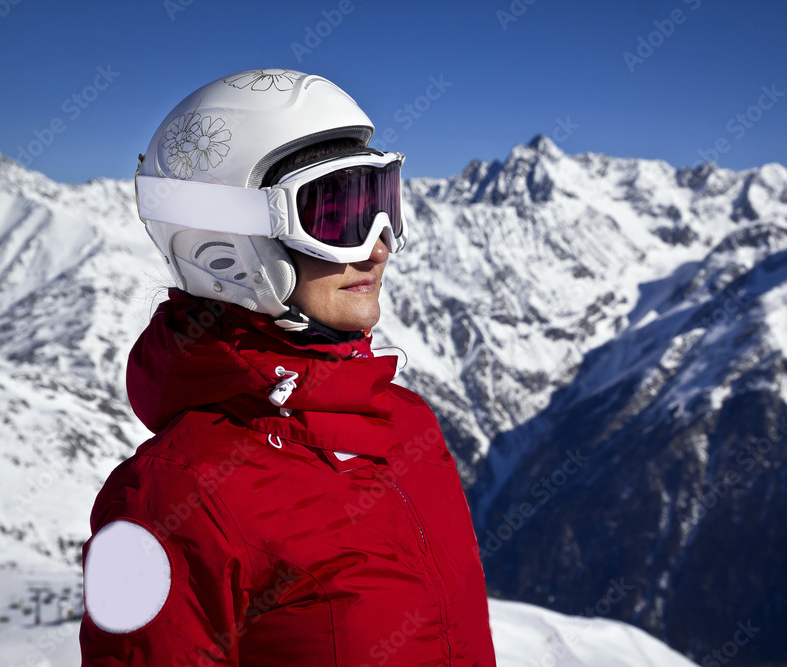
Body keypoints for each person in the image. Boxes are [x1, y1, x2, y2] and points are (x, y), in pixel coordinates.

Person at [79, 68, 496, 666]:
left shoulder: (407, 425)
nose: (378, 246)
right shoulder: (166, 500)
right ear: (225, 247)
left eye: (381, 201)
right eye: (334, 212)